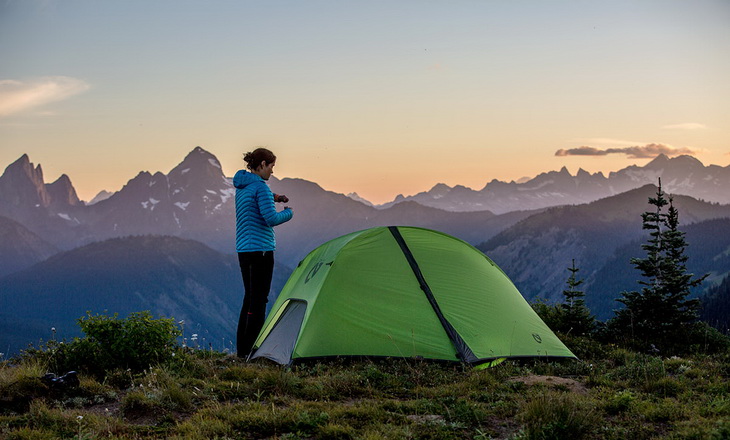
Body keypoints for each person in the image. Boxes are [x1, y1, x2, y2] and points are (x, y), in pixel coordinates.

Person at [233, 147, 293, 357]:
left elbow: (256, 199)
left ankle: (242, 350)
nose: (272, 171)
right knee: (259, 301)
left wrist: (275, 197)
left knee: (249, 299)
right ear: (262, 165)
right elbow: (271, 219)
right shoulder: (261, 188)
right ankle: (253, 351)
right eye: (271, 166)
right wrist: (288, 213)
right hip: (262, 251)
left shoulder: (242, 186)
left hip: (244, 250)